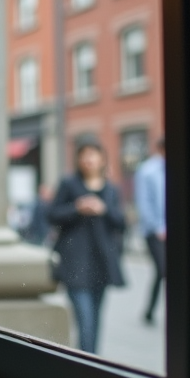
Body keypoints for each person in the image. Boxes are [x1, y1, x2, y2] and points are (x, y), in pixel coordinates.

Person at [48, 139, 126, 352]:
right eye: (84, 154)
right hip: (75, 264)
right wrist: (77, 208)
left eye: (93, 154)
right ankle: (88, 366)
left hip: (102, 262)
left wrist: (104, 209)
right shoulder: (69, 184)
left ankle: (93, 364)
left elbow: (122, 222)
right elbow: (51, 214)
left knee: (96, 319)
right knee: (85, 322)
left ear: (102, 158)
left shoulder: (111, 190)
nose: (89, 159)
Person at [133, 137, 165, 325]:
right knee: (162, 270)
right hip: (155, 231)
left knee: (162, 272)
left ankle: (150, 311)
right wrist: (157, 227)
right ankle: (151, 310)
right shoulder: (147, 171)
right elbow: (144, 203)